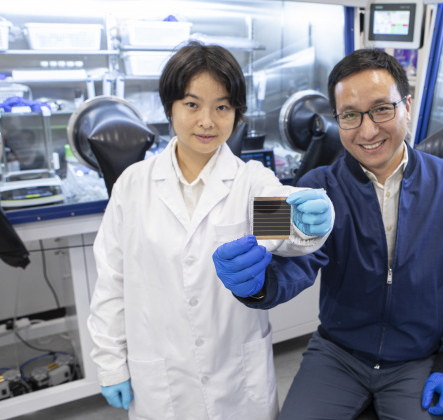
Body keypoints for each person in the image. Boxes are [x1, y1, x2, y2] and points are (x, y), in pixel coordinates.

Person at [213, 48, 443, 419]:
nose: (367, 130)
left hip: (417, 358)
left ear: (407, 106)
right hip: (338, 355)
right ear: (337, 119)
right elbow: (285, 264)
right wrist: (254, 284)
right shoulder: (314, 187)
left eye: (382, 109)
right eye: (350, 115)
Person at [87, 41, 334, 420]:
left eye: (222, 107)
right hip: (161, 377)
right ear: (169, 106)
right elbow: (111, 282)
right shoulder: (134, 186)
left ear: (237, 112)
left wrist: (308, 222)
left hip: (236, 377)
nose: (207, 120)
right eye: (192, 105)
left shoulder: (248, 181)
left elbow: (286, 229)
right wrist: (110, 364)